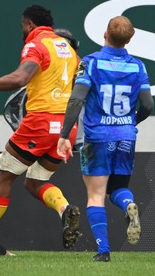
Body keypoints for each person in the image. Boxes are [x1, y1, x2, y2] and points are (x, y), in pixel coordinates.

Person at [0, 5, 81, 255]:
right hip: (67, 127)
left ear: (31, 25)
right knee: (35, 181)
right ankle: (65, 209)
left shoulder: (36, 44)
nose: (22, 30)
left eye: (23, 25)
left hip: (40, 124)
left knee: (4, 175)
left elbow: (19, 79)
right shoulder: (69, 50)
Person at [57, 16, 154, 262]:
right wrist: (131, 122)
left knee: (96, 195)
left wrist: (64, 135)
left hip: (98, 137)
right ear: (129, 39)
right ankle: (128, 205)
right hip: (126, 136)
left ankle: (103, 252)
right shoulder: (138, 66)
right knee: (118, 189)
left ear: (104, 34)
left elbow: (77, 99)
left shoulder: (91, 63)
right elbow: (147, 104)